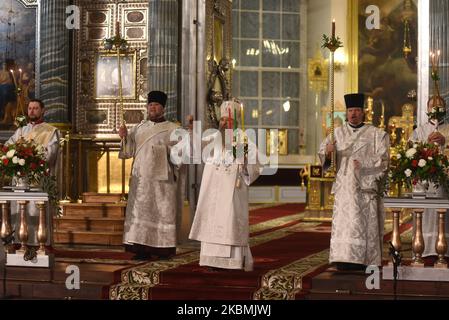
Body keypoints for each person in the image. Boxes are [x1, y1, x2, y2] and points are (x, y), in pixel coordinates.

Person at [319, 93, 390, 271]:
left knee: (362, 224)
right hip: (344, 188)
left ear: (363, 112)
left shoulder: (376, 134)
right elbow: (325, 160)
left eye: (357, 110)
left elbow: (385, 160)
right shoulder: (336, 134)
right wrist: (328, 152)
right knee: (345, 224)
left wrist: (365, 164)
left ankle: (364, 259)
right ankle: (342, 258)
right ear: (346, 113)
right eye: (350, 110)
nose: (353, 114)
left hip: (365, 188)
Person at [189, 100, 261, 271]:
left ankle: (233, 262)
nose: (225, 123)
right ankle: (211, 260)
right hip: (212, 193)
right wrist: (191, 131)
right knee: (212, 222)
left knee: (229, 222)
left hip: (232, 194)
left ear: (235, 122)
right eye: (222, 120)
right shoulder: (213, 138)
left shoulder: (245, 143)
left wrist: (244, 162)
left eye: (228, 120)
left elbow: (256, 168)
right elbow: (194, 149)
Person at [118, 90, 184, 260]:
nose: (152, 107)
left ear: (163, 108)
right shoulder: (139, 128)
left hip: (162, 181)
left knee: (162, 211)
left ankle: (162, 248)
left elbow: (180, 155)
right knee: (140, 212)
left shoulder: (173, 128)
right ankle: (140, 249)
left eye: (156, 105)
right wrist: (124, 137)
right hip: (141, 180)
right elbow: (128, 151)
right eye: (150, 105)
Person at [5, 99, 60, 246]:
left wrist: (32, 155)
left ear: (43, 110)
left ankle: (39, 243)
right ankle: (19, 242)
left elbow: (51, 154)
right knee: (21, 210)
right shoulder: (21, 131)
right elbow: (7, 148)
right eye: (29, 108)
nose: (32, 111)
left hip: (39, 179)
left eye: (35, 108)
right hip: (21, 180)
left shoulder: (50, 131)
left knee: (36, 211)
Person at [411, 96, 449, 257]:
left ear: (445, 109)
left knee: (444, 215)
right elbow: (410, 153)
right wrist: (425, 144)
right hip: (424, 183)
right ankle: (424, 250)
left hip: (444, 182)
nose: (435, 109)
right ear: (427, 110)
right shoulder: (419, 131)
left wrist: (445, 142)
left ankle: (445, 250)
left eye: (439, 106)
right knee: (425, 214)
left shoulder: (448, 128)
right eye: (432, 106)